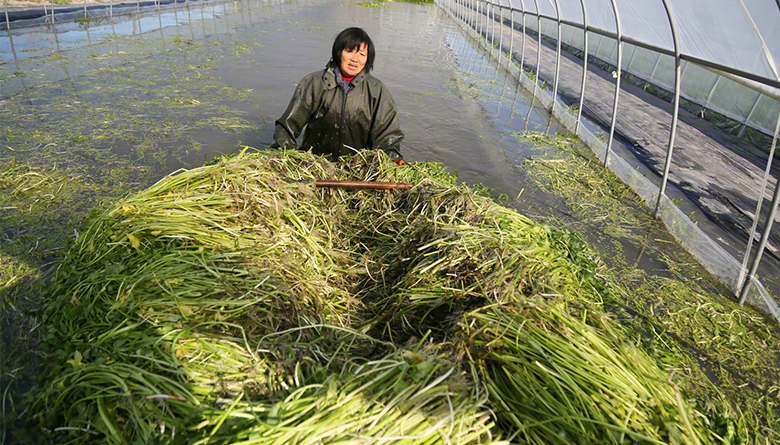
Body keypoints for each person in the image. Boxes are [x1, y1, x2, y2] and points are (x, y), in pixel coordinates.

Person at [271, 27, 405, 163]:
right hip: (314, 165)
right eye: (349, 51)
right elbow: (288, 126)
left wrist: (392, 162)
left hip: (356, 168)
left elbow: (388, 137)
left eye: (361, 54)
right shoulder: (314, 83)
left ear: (367, 59)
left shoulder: (377, 91)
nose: (355, 59)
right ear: (338, 52)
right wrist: (283, 159)